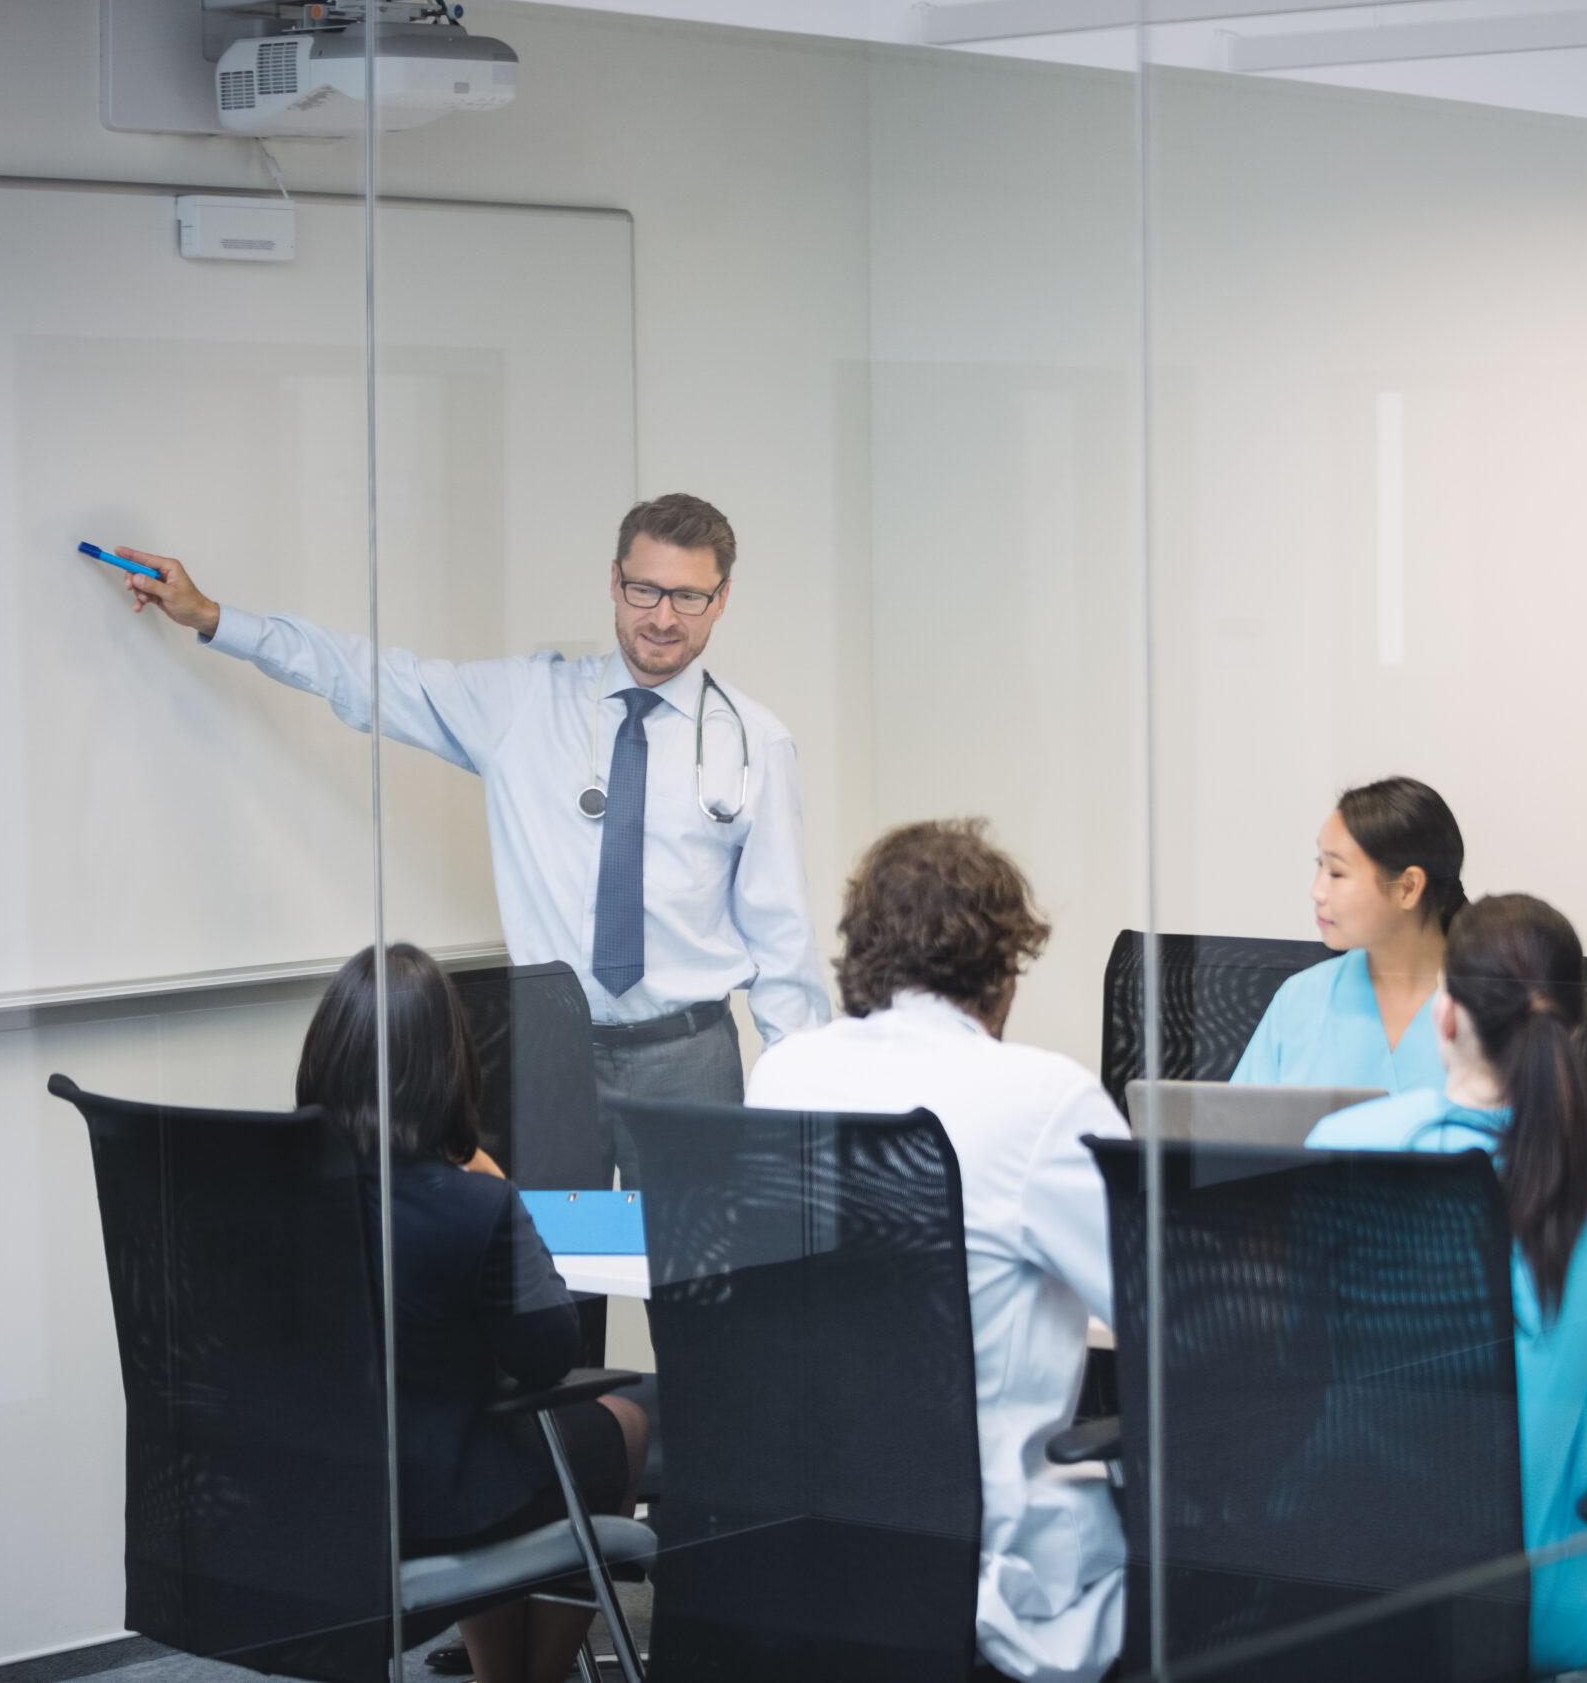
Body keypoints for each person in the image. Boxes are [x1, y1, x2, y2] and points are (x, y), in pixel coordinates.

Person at [118, 492, 829, 1151]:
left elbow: (782, 937)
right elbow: (372, 677)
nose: (663, 617)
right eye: (645, 589)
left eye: (689, 596)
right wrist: (214, 616)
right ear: (614, 581)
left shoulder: (754, 742)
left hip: (689, 1059)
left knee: (696, 1281)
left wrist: (811, 1111)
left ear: (722, 599)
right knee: (544, 1278)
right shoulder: (524, 703)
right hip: (552, 1050)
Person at [745, 820, 1127, 1683]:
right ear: (1003, 965)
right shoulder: (1043, 1096)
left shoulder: (783, 1075)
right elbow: (1166, 1305)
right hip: (986, 1578)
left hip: (802, 1557)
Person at [1306, 893, 1587, 1676]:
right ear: (1577, 1030)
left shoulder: (1342, 1143)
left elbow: (1299, 1349)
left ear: (1445, 1014)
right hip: (1540, 1621)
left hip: (1351, 1613)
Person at [296, 944, 648, 1683]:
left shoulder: (285, 1193)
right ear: (445, 1068)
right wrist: (493, 1176)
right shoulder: (471, 1202)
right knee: (624, 1420)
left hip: (322, 1489)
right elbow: (550, 1353)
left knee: (499, 1433)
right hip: (440, 1497)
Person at [1232, 776, 1465, 1093]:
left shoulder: (1491, 1004)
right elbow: (1236, 1129)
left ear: (1408, 888)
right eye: (1320, 865)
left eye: (1337, 872)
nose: (1317, 891)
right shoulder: (1301, 999)